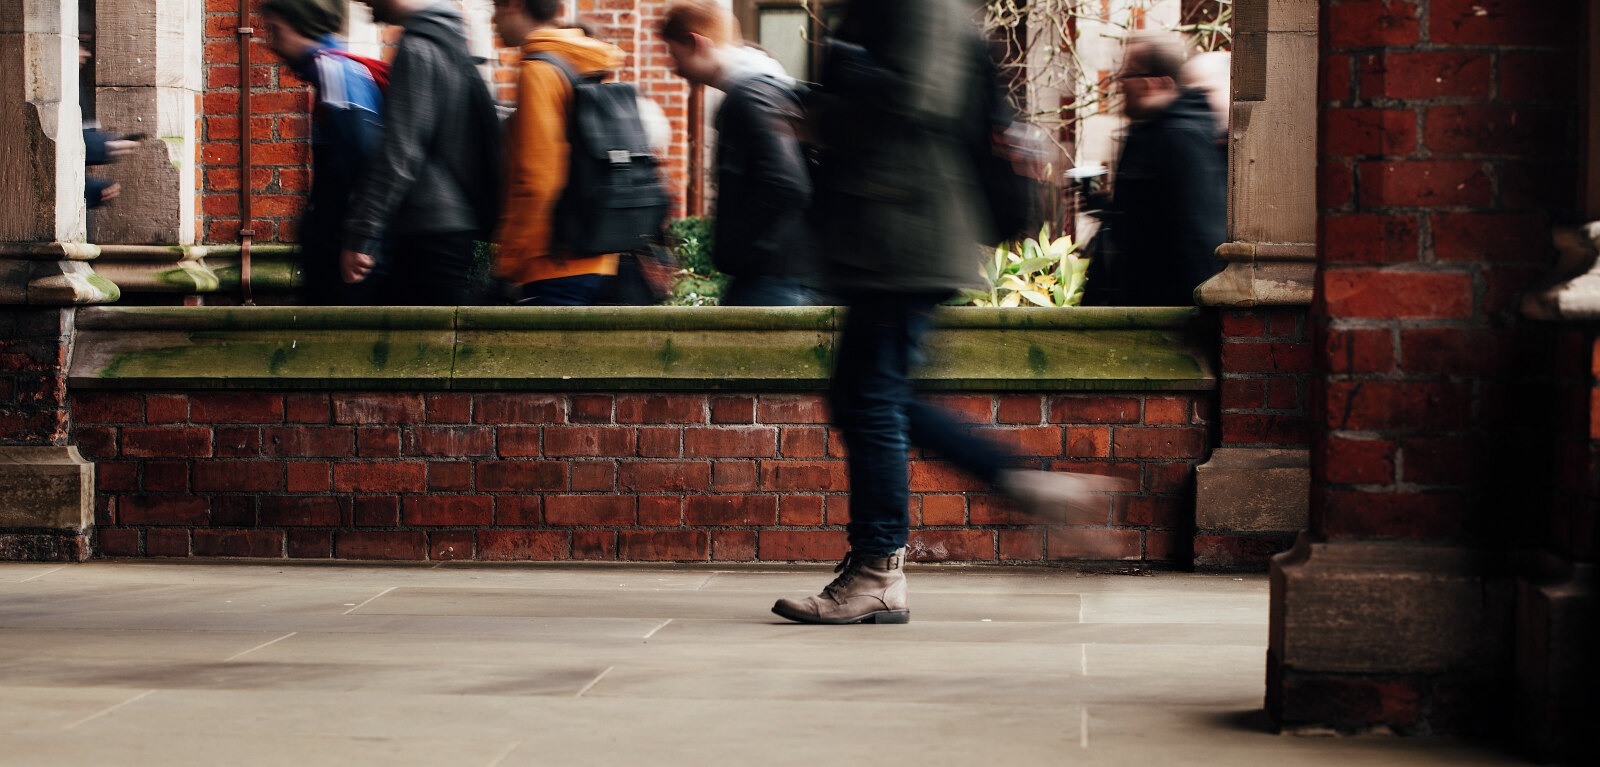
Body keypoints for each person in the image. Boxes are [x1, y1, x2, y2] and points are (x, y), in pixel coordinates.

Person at [771, 0, 1123, 625]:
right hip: (892, 231)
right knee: (867, 395)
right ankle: (1019, 486)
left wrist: (825, 98)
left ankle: (881, 570)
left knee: (872, 398)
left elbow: (918, 97)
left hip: (904, 233)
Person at [340, 0, 500, 305]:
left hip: (428, 232)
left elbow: (400, 153)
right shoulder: (450, 38)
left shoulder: (417, 47)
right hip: (454, 224)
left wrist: (360, 236)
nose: (364, 2)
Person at [659, 0, 814, 307]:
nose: (673, 68)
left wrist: (738, 248)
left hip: (770, 279)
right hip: (776, 275)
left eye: (675, 55)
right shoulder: (764, 90)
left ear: (697, 43)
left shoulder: (750, 97)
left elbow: (785, 183)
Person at [489, 0, 626, 306]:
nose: (492, 19)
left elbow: (537, 177)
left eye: (495, 7)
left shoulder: (538, 68)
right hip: (599, 257)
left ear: (515, 5)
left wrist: (508, 260)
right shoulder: (582, 62)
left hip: (552, 264)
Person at [261, 0, 384, 305]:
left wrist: (354, 242)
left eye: (276, 30)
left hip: (343, 256)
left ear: (301, 23)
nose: (272, 44)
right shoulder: (334, 69)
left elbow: (360, 157)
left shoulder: (334, 71)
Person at [1093, 32, 1226, 307]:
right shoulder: (1144, 134)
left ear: (1158, 83)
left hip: (1165, 324)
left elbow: (1198, 237)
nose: (1119, 82)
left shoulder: (1180, 139)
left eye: (1129, 73)